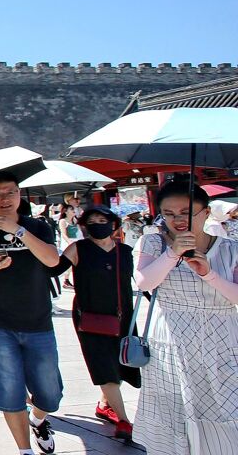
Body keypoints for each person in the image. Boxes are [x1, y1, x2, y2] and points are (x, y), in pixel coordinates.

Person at [0, 171, 62, 455]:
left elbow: (52, 260)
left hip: (38, 321)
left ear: (19, 194)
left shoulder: (38, 227)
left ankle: (39, 419)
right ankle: (24, 450)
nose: (5, 199)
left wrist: (18, 231)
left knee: (50, 393)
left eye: (11, 192)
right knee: (9, 391)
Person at [133, 181, 238, 453]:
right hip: (171, 339)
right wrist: (172, 253)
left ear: (206, 212)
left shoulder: (230, 248)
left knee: (225, 410)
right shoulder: (154, 242)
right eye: (169, 213)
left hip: (223, 340)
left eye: (185, 211)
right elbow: (144, 282)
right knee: (174, 412)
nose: (177, 219)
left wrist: (208, 274)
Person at [47, 206, 138, 442]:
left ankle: (104, 404)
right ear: (86, 226)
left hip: (123, 316)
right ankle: (124, 421)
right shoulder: (78, 249)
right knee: (104, 368)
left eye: (103, 219)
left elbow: (138, 282)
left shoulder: (124, 251)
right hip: (90, 319)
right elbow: (53, 269)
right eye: (93, 221)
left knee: (118, 365)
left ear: (113, 224)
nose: (99, 224)